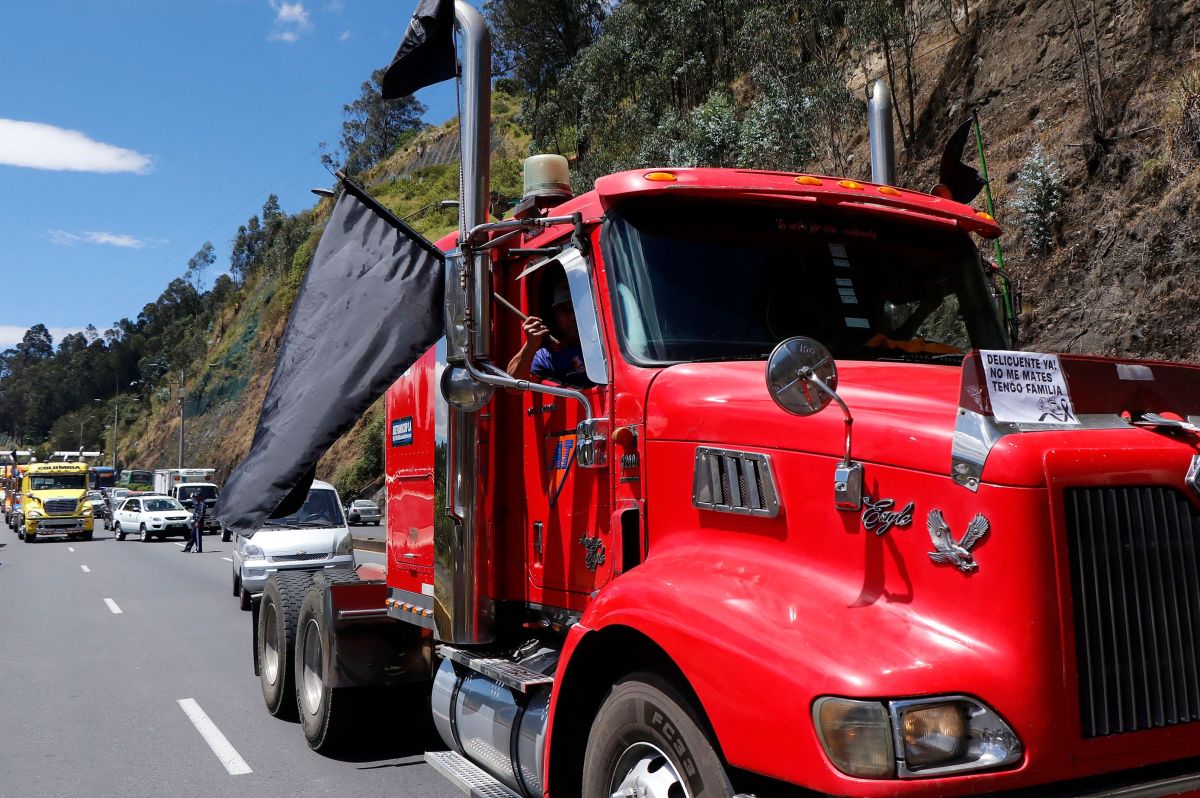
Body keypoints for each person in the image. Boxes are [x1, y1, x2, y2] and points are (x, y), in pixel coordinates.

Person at [506, 282, 590, 387]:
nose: (573, 317)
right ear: (555, 318)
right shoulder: (547, 356)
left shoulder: (605, 345)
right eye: (565, 311)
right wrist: (530, 346)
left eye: (577, 308)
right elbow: (513, 388)